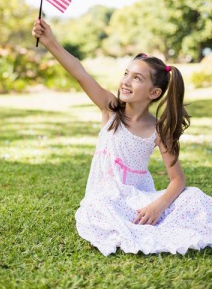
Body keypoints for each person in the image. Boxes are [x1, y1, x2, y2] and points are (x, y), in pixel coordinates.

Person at [32, 18, 212, 256]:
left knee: (195, 198)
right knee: (96, 208)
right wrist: (49, 41)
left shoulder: (158, 131)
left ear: (154, 92)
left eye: (137, 78)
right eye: (126, 73)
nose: (126, 81)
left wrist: (157, 206)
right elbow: (79, 72)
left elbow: (177, 180)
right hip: (106, 198)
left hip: (138, 200)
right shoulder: (110, 109)